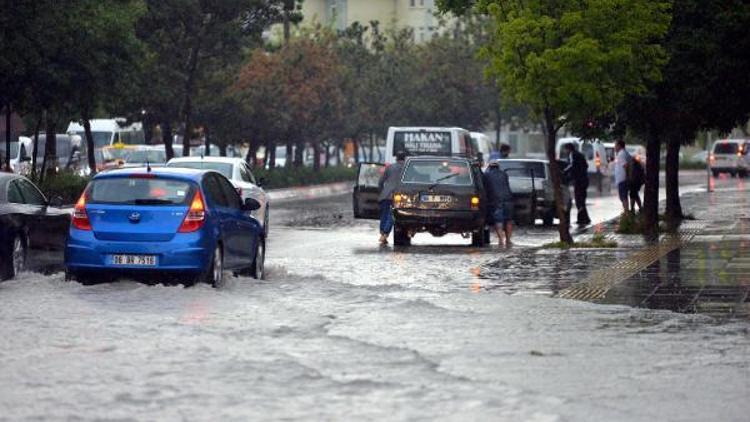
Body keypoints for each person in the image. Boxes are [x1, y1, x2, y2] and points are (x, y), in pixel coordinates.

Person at [377, 151, 406, 244]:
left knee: (384, 215)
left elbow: (380, 182)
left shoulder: (389, 167)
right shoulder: (407, 168)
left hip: (385, 195)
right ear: (404, 158)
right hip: (398, 196)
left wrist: (381, 191)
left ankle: (382, 233)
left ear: (396, 158)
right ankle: (384, 234)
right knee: (392, 215)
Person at [483, 159, 514, 246]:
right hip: (508, 199)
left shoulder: (487, 175)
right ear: (498, 166)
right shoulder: (504, 174)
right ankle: (508, 240)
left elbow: (485, 187)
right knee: (508, 220)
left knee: (498, 220)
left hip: (495, 200)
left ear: (489, 166)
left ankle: (501, 239)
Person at [563, 143, 591, 225]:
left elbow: (573, 166)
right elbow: (585, 165)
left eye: (566, 149)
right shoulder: (580, 154)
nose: (565, 151)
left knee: (579, 200)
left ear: (568, 149)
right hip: (584, 180)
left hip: (579, 181)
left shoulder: (573, 155)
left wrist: (565, 172)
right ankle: (585, 218)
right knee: (581, 200)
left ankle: (582, 219)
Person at [614, 140, 632, 213]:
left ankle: (626, 212)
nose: (614, 147)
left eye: (615, 145)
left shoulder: (621, 154)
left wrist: (627, 176)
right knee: (623, 196)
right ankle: (626, 211)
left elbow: (626, 166)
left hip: (622, 178)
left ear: (619, 146)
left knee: (623, 197)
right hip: (622, 178)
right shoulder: (625, 153)